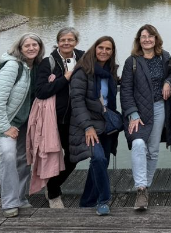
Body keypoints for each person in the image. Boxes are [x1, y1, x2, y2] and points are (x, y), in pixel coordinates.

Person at [0, 32, 45, 218]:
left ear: (40, 48)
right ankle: (9, 202)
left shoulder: (36, 67)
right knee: (8, 156)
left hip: (26, 123)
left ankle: (20, 198)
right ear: (19, 48)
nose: (31, 48)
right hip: (6, 122)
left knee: (24, 160)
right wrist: (4, 127)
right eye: (27, 45)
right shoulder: (12, 67)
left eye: (35, 45)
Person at [120, 24, 171, 211]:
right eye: (143, 36)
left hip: (160, 107)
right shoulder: (132, 61)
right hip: (138, 112)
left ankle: (145, 189)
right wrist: (133, 114)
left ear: (156, 39)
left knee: (152, 150)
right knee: (138, 144)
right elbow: (126, 90)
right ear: (139, 40)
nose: (147, 39)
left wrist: (168, 82)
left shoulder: (165, 57)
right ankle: (141, 188)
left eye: (150, 36)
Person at [69, 36, 120, 216]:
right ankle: (104, 200)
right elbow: (77, 101)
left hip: (105, 123)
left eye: (108, 49)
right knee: (98, 158)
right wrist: (88, 127)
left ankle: (87, 201)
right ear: (94, 48)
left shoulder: (110, 71)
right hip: (87, 124)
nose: (104, 51)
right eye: (101, 48)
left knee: (100, 163)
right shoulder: (83, 71)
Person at [35, 27, 84, 208]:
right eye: (63, 40)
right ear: (58, 42)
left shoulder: (83, 57)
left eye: (70, 40)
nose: (66, 43)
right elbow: (40, 91)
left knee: (74, 156)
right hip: (56, 119)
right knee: (53, 156)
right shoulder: (48, 62)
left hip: (77, 118)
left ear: (76, 42)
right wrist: (64, 78)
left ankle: (52, 185)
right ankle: (54, 194)